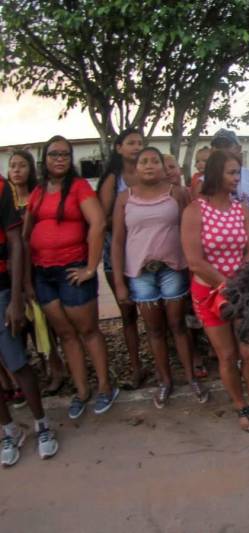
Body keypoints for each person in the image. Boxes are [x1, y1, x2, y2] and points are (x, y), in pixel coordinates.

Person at [181, 149, 249, 432]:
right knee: (226, 356)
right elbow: (194, 261)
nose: (238, 178)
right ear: (215, 174)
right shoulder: (194, 210)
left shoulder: (241, 209)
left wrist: (243, 283)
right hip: (210, 293)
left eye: (238, 172)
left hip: (242, 291)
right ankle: (241, 405)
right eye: (232, 172)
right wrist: (227, 285)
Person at [24, 136, 119, 419]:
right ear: (45, 159)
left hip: (72, 271)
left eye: (65, 154)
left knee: (88, 332)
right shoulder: (39, 191)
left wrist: (91, 267)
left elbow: (99, 223)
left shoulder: (78, 188)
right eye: (54, 154)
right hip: (44, 273)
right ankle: (82, 392)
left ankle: (104, 387)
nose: (60, 158)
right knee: (66, 335)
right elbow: (28, 231)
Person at [111, 147, 208, 408]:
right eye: (144, 161)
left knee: (178, 326)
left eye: (155, 161)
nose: (150, 165)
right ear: (136, 167)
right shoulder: (124, 198)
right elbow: (118, 240)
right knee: (154, 329)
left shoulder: (177, 193)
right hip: (141, 274)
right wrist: (120, 282)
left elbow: (192, 229)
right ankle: (165, 381)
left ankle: (190, 378)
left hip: (173, 269)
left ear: (164, 168)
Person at [0, 175, 59, 466]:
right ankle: (9, 431)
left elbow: (16, 242)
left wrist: (15, 297)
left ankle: (42, 424)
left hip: (1, 290)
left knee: (18, 363)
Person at [7, 150, 65, 395]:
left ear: (31, 169)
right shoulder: (5, 201)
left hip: (37, 268)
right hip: (10, 274)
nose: (17, 170)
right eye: (12, 166)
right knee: (21, 327)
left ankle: (56, 369)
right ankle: (33, 372)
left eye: (22, 165)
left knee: (42, 323)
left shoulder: (38, 197)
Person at [97, 128, 145, 389]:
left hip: (147, 254)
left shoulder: (149, 173)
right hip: (117, 255)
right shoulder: (112, 181)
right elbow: (103, 220)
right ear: (118, 148)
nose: (136, 147)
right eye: (130, 143)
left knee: (154, 313)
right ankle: (136, 367)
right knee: (128, 315)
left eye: (140, 142)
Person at [209, 129, 249, 234]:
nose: (222, 150)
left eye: (227, 145)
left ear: (238, 149)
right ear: (212, 151)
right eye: (218, 146)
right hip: (221, 240)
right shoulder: (204, 180)